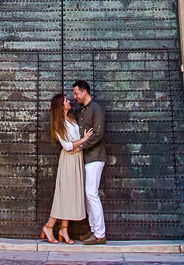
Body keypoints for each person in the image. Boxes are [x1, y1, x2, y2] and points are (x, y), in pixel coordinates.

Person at [41, 93, 94, 244]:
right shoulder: (59, 124)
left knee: (71, 194)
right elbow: (67, 145)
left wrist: (80, 145)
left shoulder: (71, 119)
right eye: (65, 101)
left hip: (76, 158)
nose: (69, 101)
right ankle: (49, 226)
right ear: (60, 105)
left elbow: (74, 143)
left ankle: (64, 228)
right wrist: (82, 140)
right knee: (64, 194)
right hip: (68, 160)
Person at [72, 79, 107, 245]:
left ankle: (100, 234)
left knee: (91, 193)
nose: (75, 96)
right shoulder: (83, 110)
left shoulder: (96, 109)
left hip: (95, 157)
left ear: (84, 91)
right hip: (86, 158)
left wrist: (82, 146)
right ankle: (93, 230)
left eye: (76, 93)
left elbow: (98, 134)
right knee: (88, 195)